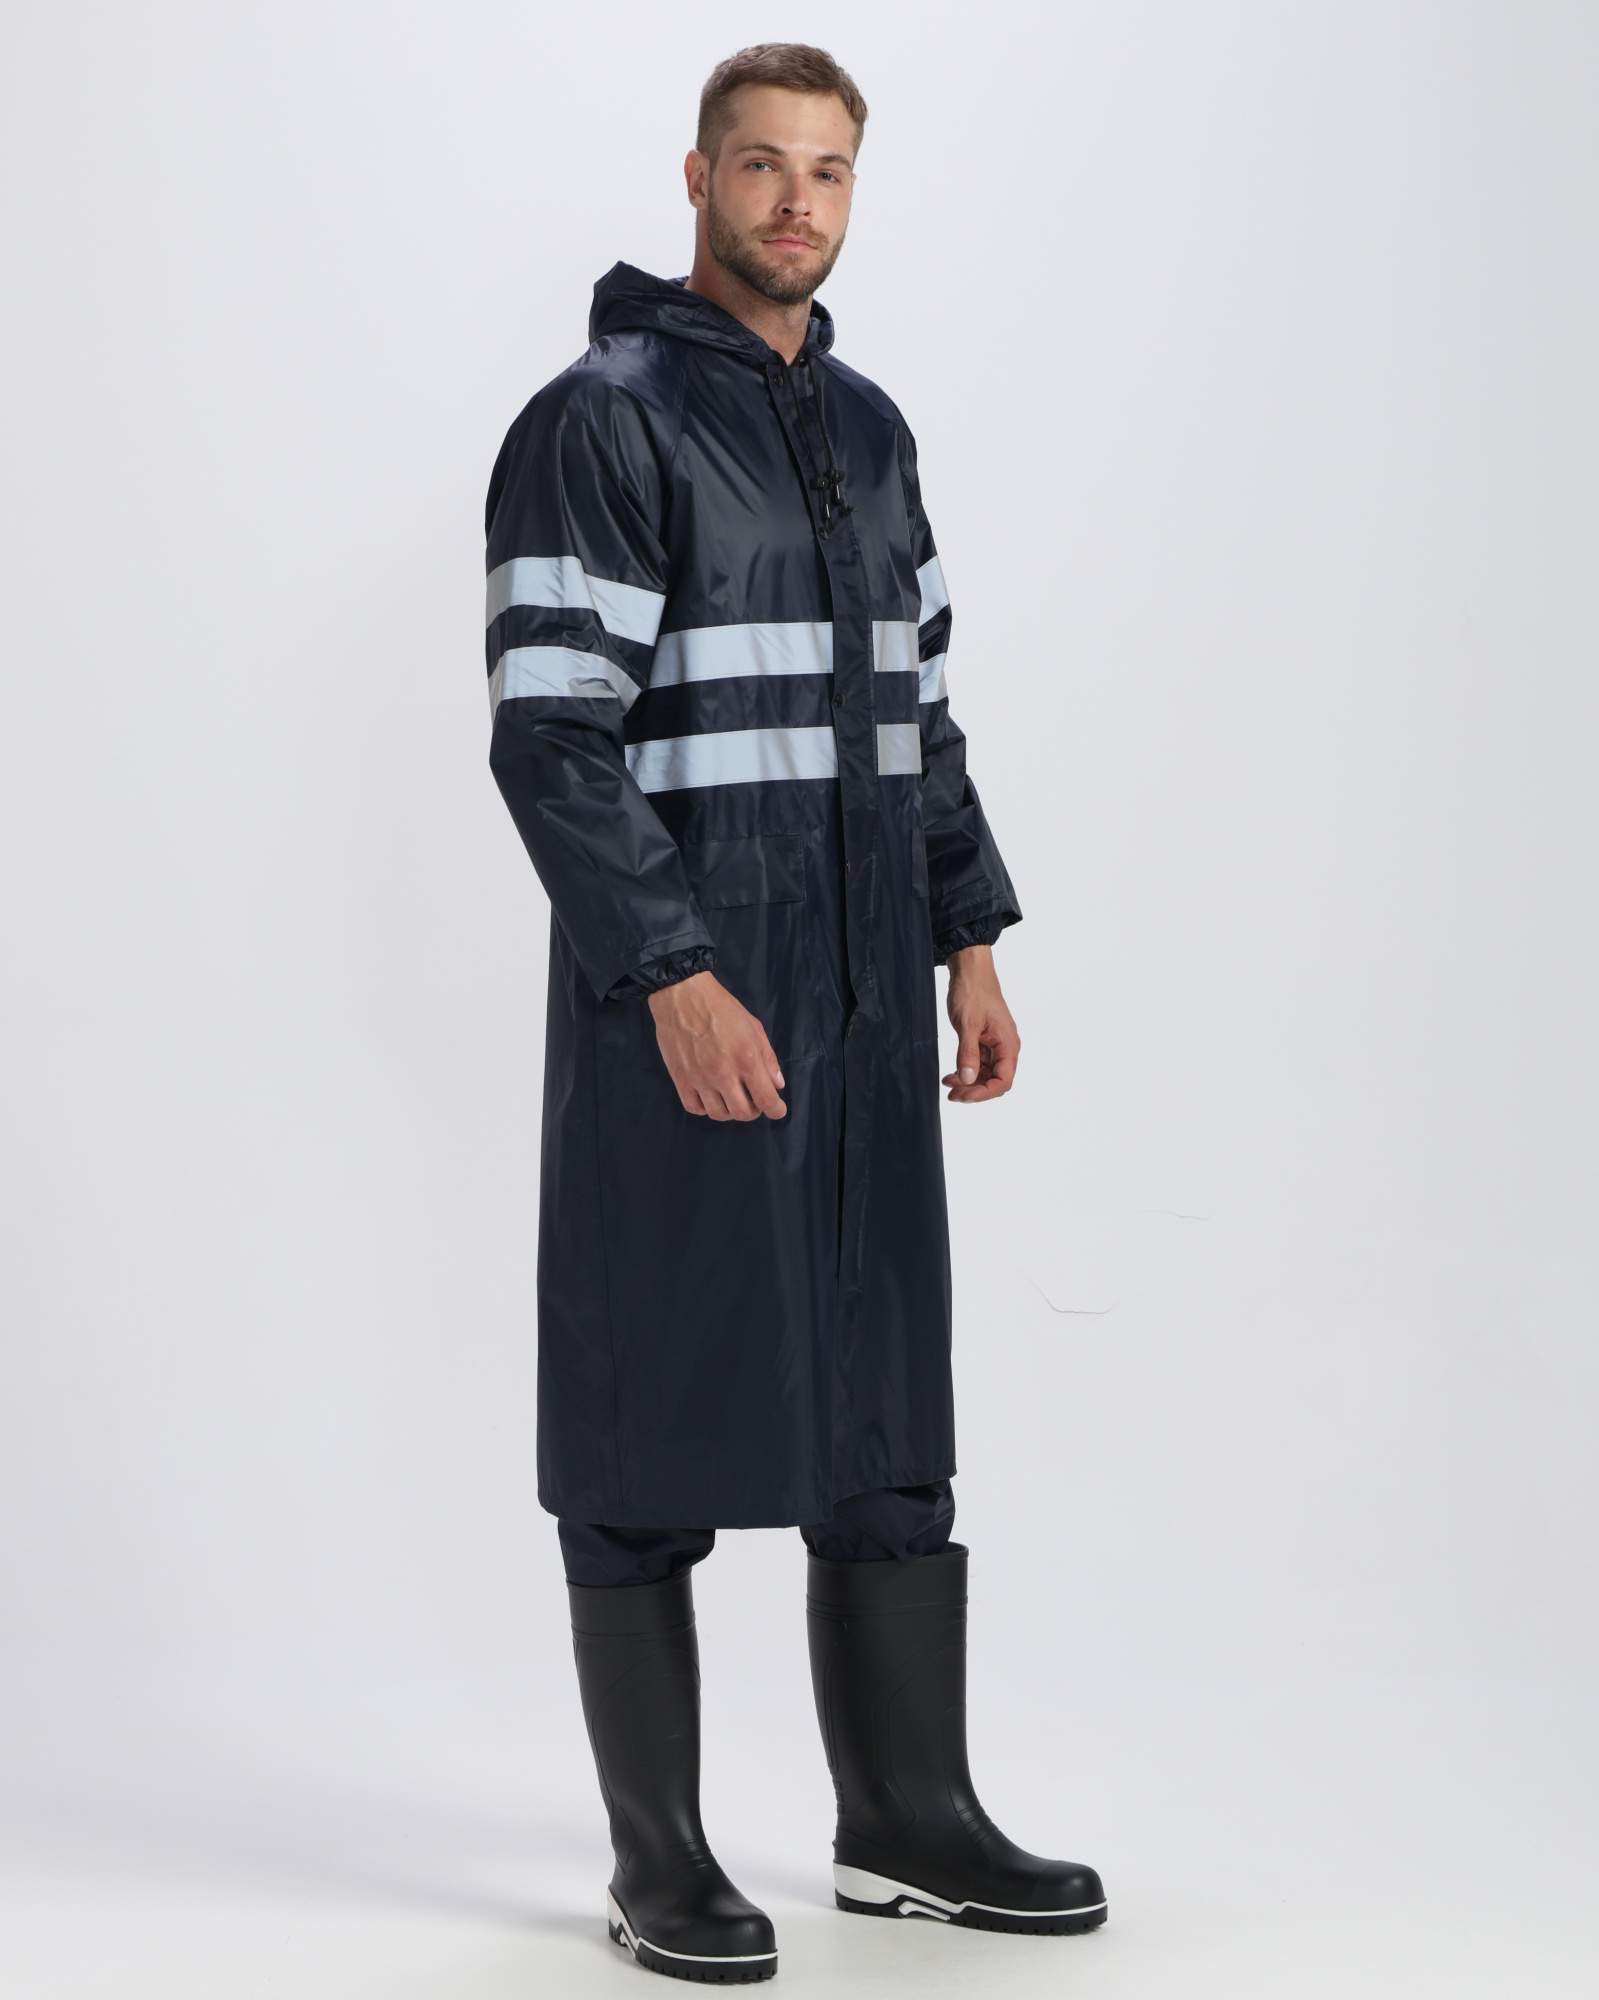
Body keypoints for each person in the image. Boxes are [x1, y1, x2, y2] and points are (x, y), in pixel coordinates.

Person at [485, 41, 1105, 1982]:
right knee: (641, 1413)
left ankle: (906, 1819)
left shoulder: (870, 430)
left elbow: (919, 711)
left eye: (826, 171)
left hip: (863, 999)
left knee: (884, 1403)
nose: (794, 203)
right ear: (697, 177)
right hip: (688, 998)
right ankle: (657, 1857)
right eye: (760, 166)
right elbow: (550, 736)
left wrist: (967, 934)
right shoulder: (598, 421)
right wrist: (670, 972)